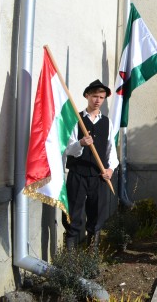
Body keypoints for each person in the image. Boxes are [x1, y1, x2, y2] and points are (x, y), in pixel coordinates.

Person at [63, 80, 119, 250]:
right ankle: (70, 255)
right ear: (87, 96)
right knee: (74, 213)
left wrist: (110, 169)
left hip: (98, 175)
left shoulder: (107, 123)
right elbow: (67, 148)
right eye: (95, 96)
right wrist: (80, 143)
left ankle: (92, 255)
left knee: (96, 214)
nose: (98, 100)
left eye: (101, 97)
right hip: (77, 173)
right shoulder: (76, 119)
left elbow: (111, 150)